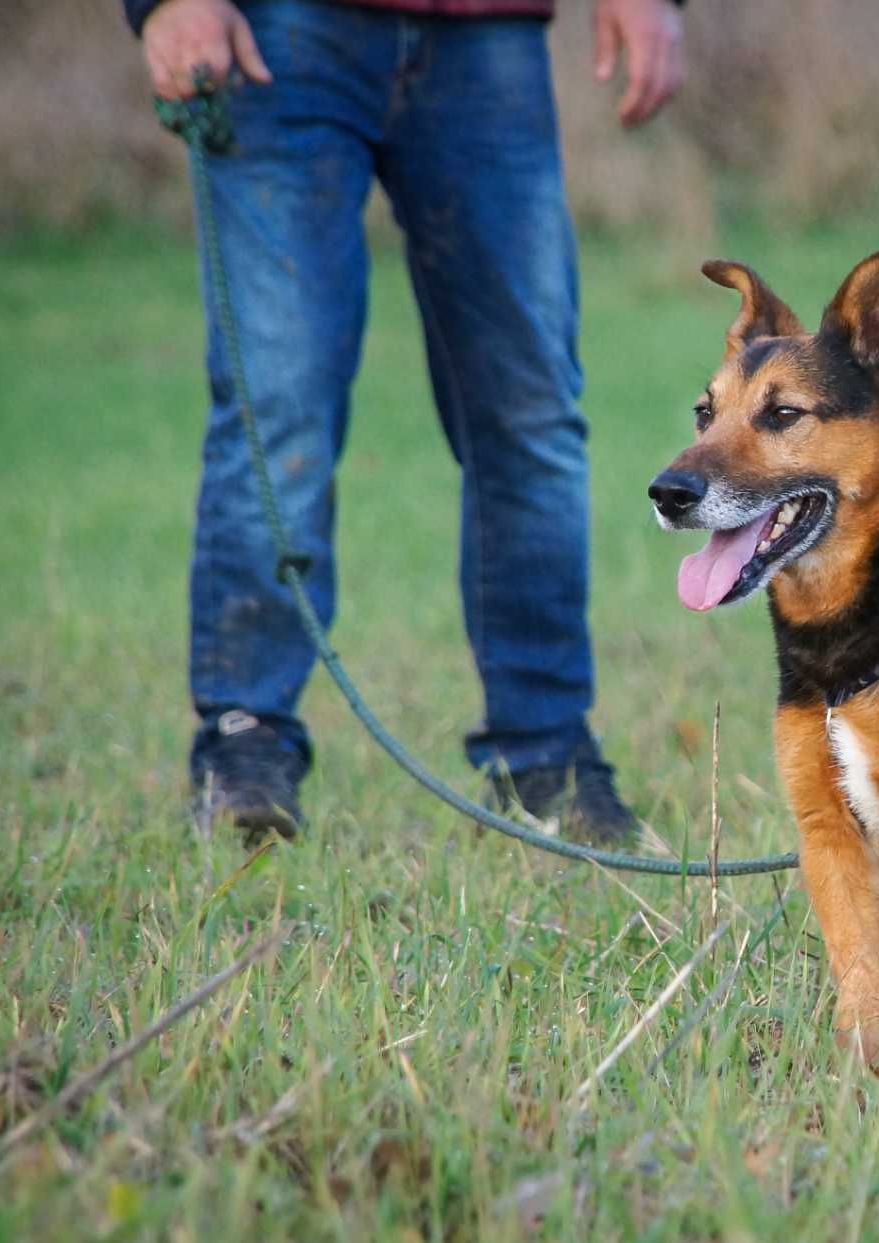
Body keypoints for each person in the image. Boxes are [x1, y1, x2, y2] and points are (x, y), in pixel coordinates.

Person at [126, 0, 685, 843]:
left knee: (530, 413)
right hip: (277, 33)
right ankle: (245, 745)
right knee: (277, 405)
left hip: (489, 36)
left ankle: (546, 757)